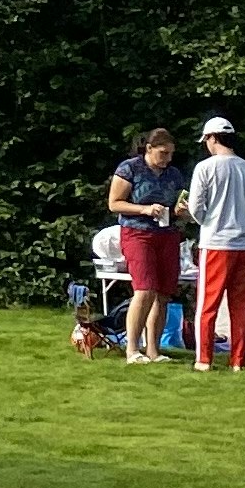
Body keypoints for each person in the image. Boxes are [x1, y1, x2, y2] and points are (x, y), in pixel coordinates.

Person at [184, 115, 245, 373]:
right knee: (240, 305)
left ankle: (204, 359)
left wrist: (206, 222)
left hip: (216, 244)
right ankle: (238, 361)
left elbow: (196, 208)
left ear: (211, 138)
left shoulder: (205, 168)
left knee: (207, 305)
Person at [102, 126, 185, 360]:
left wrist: (181, 210)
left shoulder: (174, 174)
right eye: (163, 153)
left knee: (163, 293)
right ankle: (132, 349)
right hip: (137, 233)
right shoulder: (129, 169)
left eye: (170, 154)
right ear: (149, 149)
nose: (167, 159)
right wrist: (144, 209)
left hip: (167, 235)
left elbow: (179, 205)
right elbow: (115, 203)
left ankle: (153, 350)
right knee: (145, 288)